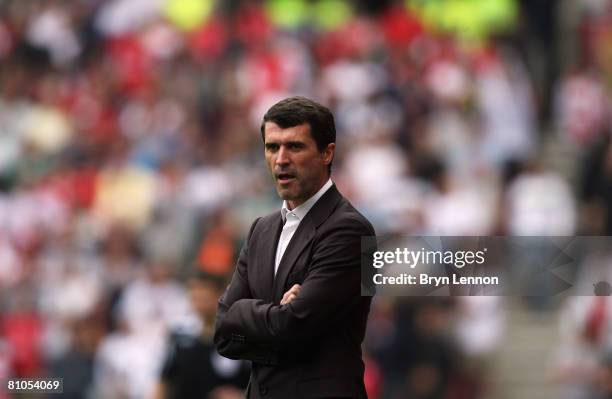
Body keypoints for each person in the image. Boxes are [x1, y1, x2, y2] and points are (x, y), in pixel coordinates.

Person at [214, 96, 376, 399]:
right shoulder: (261, 230)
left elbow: (290, 327)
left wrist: (244, 312)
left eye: (295, 146)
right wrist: (275, 315)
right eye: (272, 147)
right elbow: (223, 334)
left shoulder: (352, 231)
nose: (281, 159)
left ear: (327, 153)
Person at [154, 272, 250, 399]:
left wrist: (240, 395)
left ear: (221, 294)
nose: (199, 303)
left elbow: (258, 381)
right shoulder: (179, 333)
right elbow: (164, 379)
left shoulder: (241, 336)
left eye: (205, 297)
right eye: (195, 296)